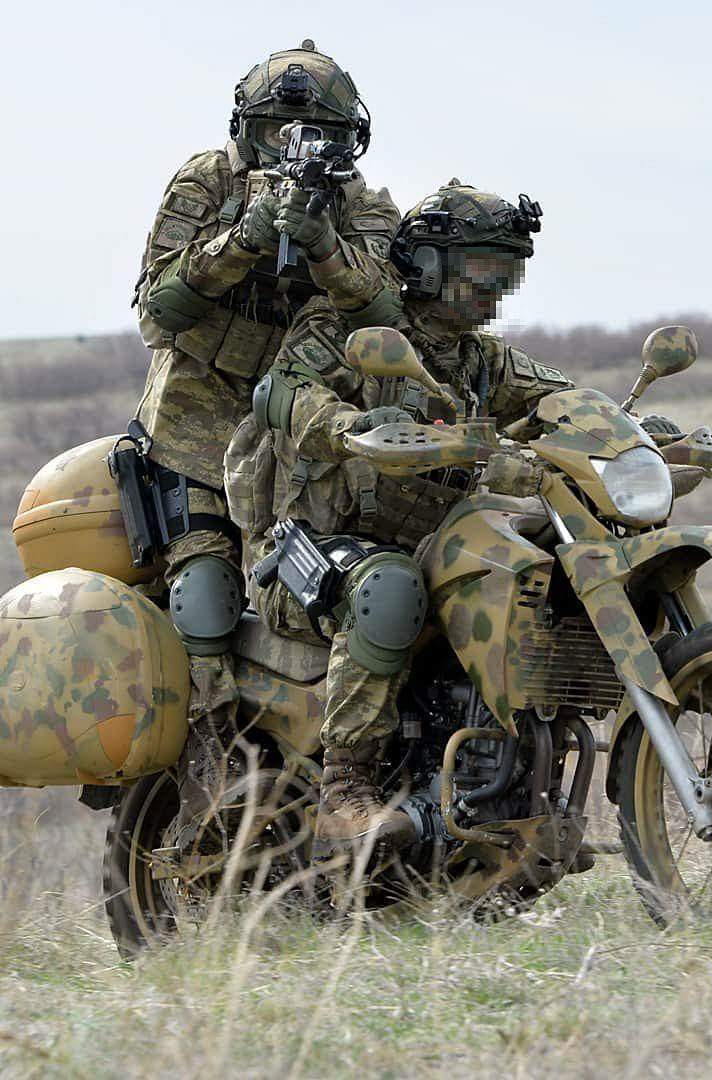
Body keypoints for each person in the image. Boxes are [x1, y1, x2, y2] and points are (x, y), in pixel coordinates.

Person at [226, 182, 574, 850]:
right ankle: (344, 792)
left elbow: (555, 397)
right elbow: (282, 393)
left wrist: (626, 427)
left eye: (508, 272)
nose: (496, 287)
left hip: (419, 552)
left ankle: (500, 788)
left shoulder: (478, 360)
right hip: (307, 556)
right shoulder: (350, 330)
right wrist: (349, 427)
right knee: (387, 587)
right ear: (433, 263)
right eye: (483, 268)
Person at [133, 40, 401, 817]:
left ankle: (346, 766)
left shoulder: (367, 208)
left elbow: (387, 316)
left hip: (299, 441)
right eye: (279, 129)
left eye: (319, 132)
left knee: (330, 588)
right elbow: (158, 310)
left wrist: (322, 246)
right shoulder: (205, 182)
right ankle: (208, 758)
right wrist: (243, 237)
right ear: (245, 129)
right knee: (207, 590)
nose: (297, 146)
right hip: (194, 428)